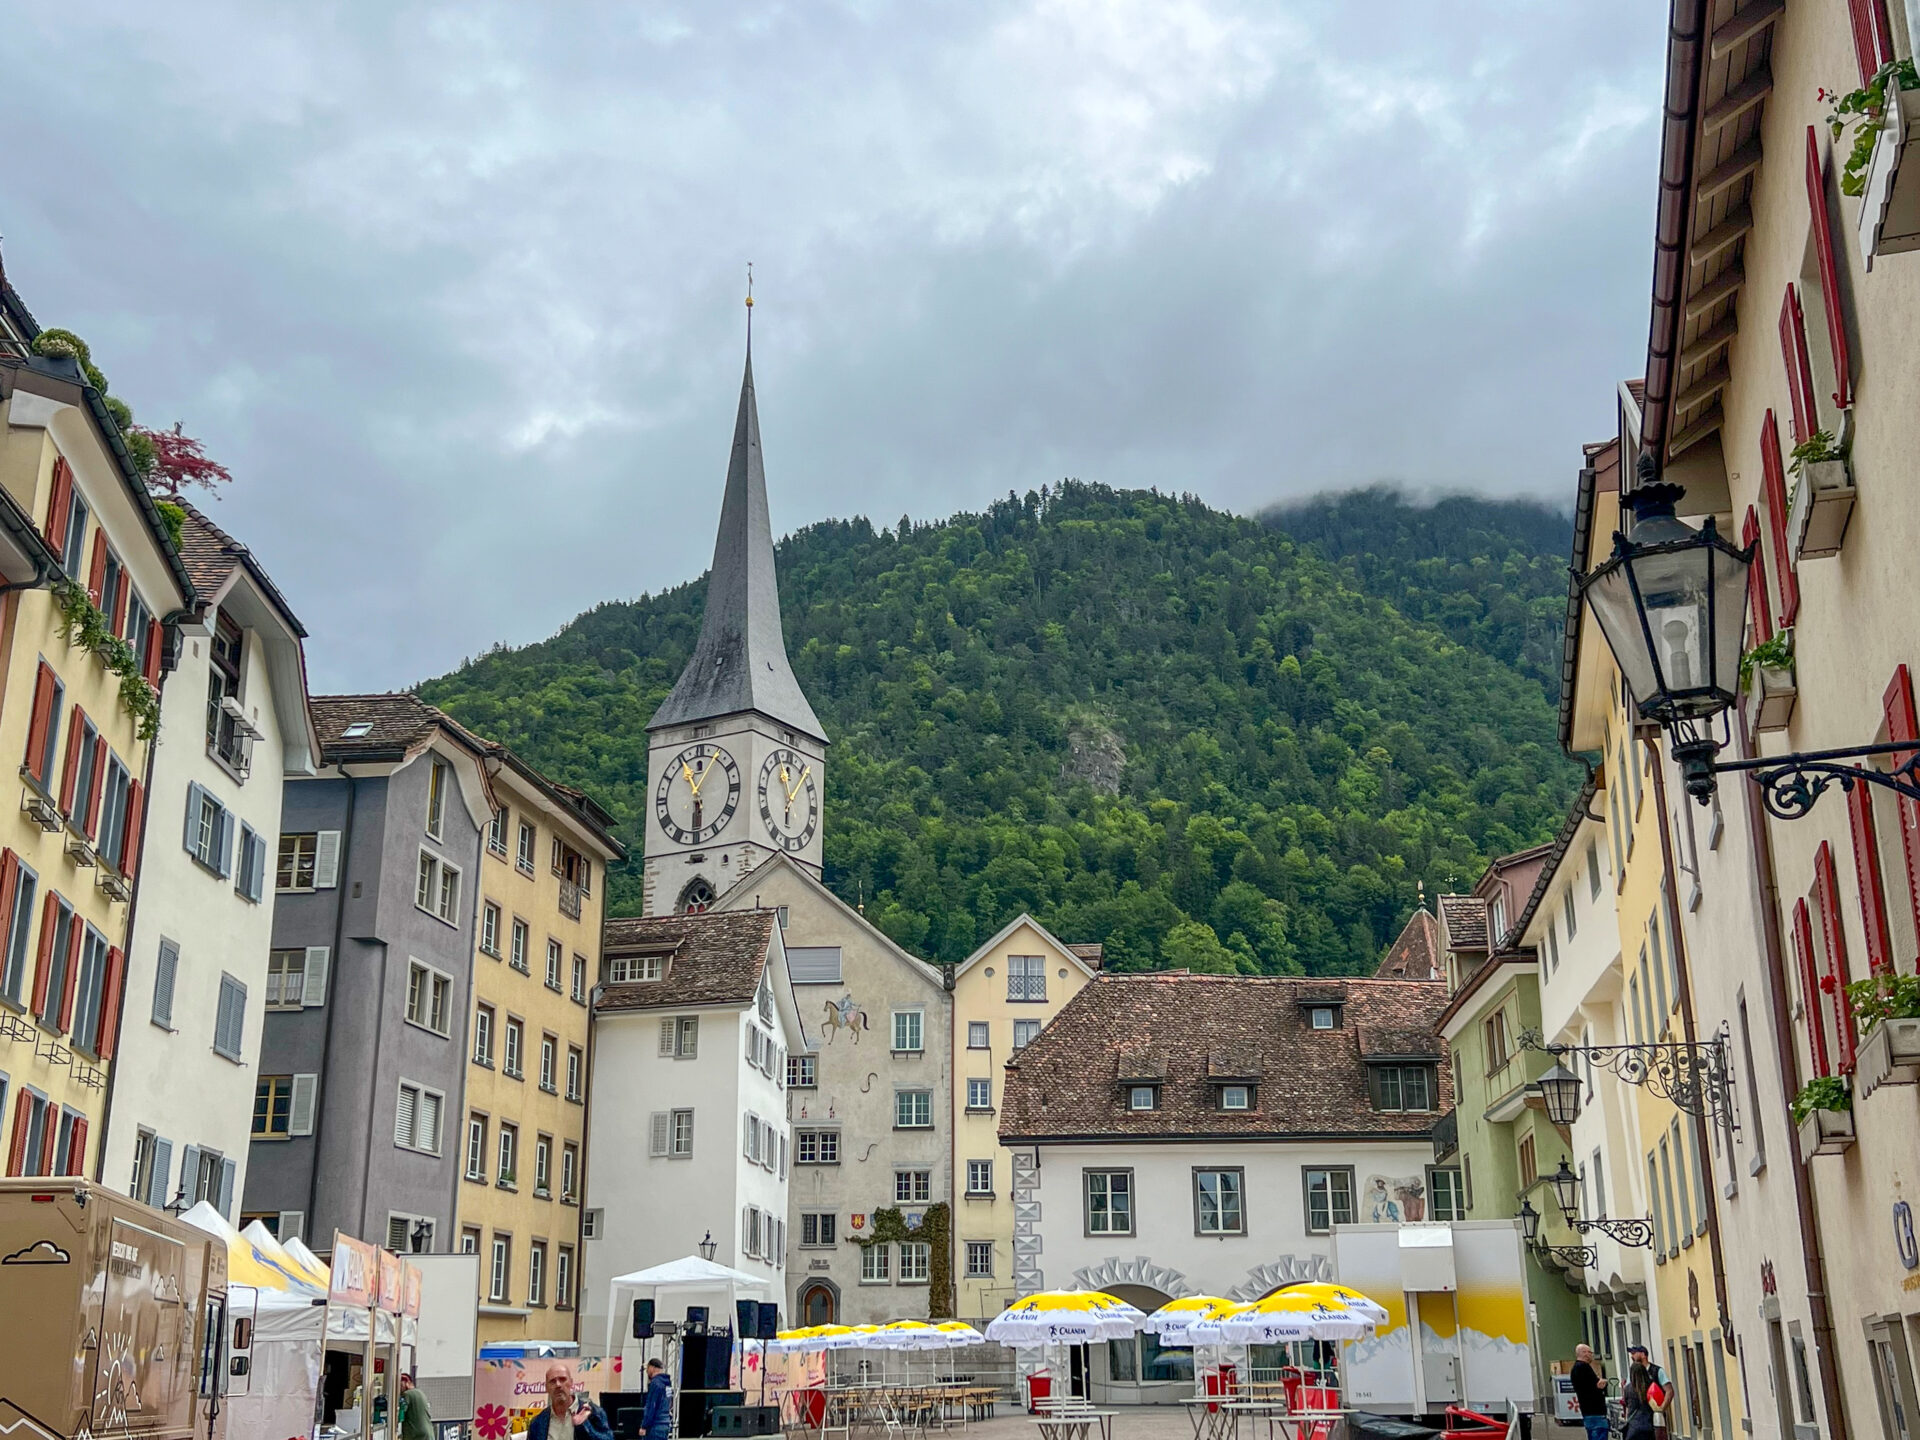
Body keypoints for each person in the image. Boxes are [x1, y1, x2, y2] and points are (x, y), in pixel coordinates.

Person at [525, 1361, 614, 1440]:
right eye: (552, 1381)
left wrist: (584, 1426)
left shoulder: (593, 1413)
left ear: (571, 1382)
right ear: (546, 1388)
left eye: (562, 1379)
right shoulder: (538, 1423)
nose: (558, 1385)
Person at [1569, 1344, 1608, 1440]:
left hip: (1587, 1410)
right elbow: (1596, 1385)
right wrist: (1602, 1382)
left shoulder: (1575, 1368)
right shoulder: (1583, 1367)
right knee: (1598, 1434)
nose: (1592, 1355)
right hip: (1595, 1411)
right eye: (1590, 1352)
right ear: (1584, 1353)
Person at [1622, 1360, 1659, 1440]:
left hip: (1633, 1427)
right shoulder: (1651, 1385)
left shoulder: (1627, 1388)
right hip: (1648, 1425)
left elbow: (1627, 1406)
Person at [640, 1357, 673, 1440]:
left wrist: (644, 1426)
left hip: (656, 1425)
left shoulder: (655, 1383)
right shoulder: (667, 1384)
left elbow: (652, 1406)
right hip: (665, 1424)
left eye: (647, 1368)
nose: (647, 1371)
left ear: (652, 1368)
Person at [396, 1372, 432, 1440]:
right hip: (428, 1434)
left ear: (407, 1383)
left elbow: (400, 1414)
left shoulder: (407, 1394)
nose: (399, 1389)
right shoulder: (420, 1392)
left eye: (400, 1385)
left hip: (417, 1435)